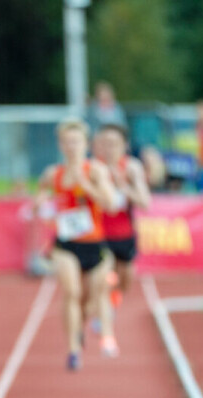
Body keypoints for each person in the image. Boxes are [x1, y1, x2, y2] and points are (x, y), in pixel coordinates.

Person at [33, 118, 116, 370]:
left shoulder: (96, 170)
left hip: (94, 243)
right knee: (71, 292)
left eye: (76, 141)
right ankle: (73, 349)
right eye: (67, 142)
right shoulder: (53, 173)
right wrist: (41, 204)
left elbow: (111, 204)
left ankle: (82, 324)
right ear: (61, 144)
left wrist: (87, 185)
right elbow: (41, 196)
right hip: (66, 244)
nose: (72, 146)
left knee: (90, 298)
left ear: (85, 144)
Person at [92, 124, 150, 325]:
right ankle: (102, 312)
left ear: (124, 145)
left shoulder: (132, 167)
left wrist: (122, 186)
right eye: (105, 143)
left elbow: (145, 202)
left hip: (124, 233)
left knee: (124, 279)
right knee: (104, 276)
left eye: (114, 144)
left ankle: (112, 303)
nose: (109, 148)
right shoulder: (93, 167)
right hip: (98, 234)